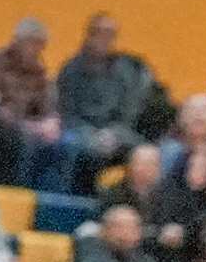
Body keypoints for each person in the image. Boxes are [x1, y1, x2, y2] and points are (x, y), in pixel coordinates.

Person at [55, 15, 152, 190]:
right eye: (98, 33)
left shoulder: (125, 71)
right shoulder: (71, 70)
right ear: (88, 35)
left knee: (146, 152)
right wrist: (91, 133)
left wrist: (114, 132)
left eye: (109, 34)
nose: (103, 39)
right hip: (79, 129)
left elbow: (129, 110)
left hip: (117, 131)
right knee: (74, 146)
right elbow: (66, 111)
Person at [0, 17, 71, 192]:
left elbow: (47, 101)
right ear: (16, 41)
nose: (34, 49)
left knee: (64, 143)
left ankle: (50, 196)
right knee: (23, 142)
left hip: (26, 126)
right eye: (30, 43)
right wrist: (30, 127)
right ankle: (20, 191)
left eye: (39, 44)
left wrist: (51, 120)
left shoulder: (38, 69)